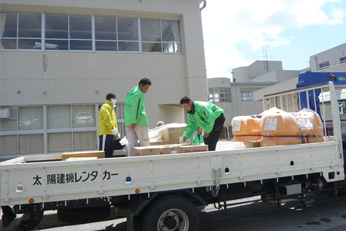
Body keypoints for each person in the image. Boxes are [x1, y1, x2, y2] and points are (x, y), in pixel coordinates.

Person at [125, 78, 152, 156]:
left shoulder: (131, 91)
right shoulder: (139, 94)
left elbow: (128, 107)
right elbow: (136, 108)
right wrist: (134, 121)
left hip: (128, 122)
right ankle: (148, 163)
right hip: (139, 121)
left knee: (132, 144)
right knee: (144, 143)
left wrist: (131, 121)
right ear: (141, 85)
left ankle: (131, 161)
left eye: (148, 88)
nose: (146, 90)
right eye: (146, 88)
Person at [98, 93, 122, 158]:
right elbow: (107, 119)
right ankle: (101, 165)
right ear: (110, 99)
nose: (115, 100)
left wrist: (115, 132)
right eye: (114, 99)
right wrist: (112, 127)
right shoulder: (105, 106)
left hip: (110, 132)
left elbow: (114, 121)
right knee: (103, 151)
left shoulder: (111, 108)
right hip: (105, 132)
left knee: (109, 151)